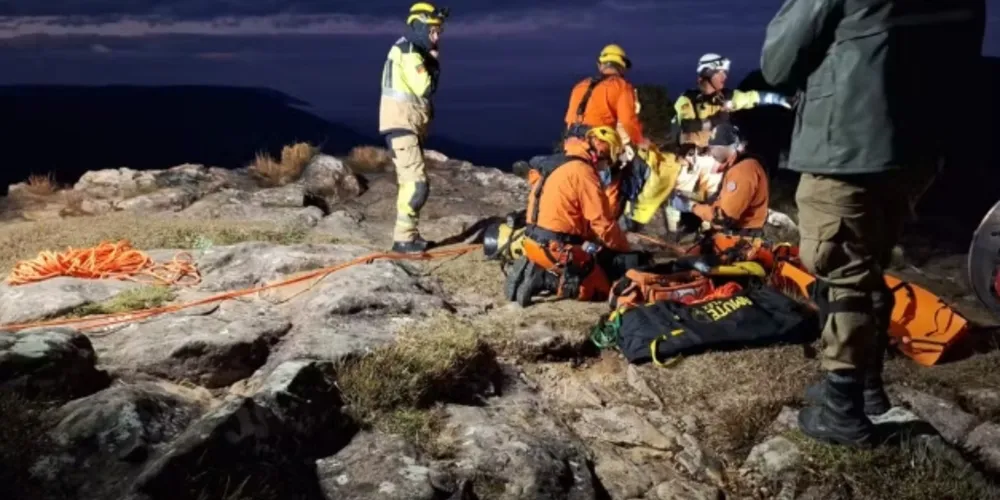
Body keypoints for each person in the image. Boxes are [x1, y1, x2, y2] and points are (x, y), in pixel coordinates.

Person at [761, 0, 986, 447]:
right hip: (916, 145)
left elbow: (778, 62)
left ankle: (842, 411)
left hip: (846, 141)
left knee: (841, 268)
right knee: (869, 263)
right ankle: (867, 387)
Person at [513, 126, 649, 303]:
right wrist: (624, 248)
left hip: (532, 241)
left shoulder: (559, 163)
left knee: (592, 255)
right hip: (557, 248)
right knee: (601, 289)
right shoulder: (584, 172)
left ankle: (537, 267)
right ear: (601, 151)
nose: (605, 166)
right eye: (608, 160)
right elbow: (602, 223)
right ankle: (546, 280)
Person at [379, 2, 449, 253]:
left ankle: (407, 235)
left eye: (439, 31)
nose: (436, 37)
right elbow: (424, 87)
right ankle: (403, 240)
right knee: (417, 185)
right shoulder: (409, 52)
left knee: (409, 183)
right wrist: (433, 64)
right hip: (402, 125)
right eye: (432, 31)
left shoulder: (406, 49)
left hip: (405, 125)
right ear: (419, 28)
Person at [672, 53, 793, 148]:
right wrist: (717, 119)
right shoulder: (687, 99)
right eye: (720, 72)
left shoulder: (726, 96)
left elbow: (752, 97)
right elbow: (688, 125)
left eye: (725, 72)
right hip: (692, 158)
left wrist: (780, 99)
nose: (725, 76)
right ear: (708, 73)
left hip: (718, 156)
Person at [669, 123, 769, 237]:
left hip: (741, 237)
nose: (711, 152)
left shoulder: (742, 171)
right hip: (735, 233)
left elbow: (723, 218)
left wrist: (692, 207)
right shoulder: (736, 166)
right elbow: (719, 202)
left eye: (715, 147)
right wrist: (693, 202)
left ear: (730, 147)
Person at [563, 44, 647, 148]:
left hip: (571, 144)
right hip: (599, 144)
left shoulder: (579, 86)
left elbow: (569, 121)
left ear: (599, 65)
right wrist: (641, 142)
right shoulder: (622, 86)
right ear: (623, 67)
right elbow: (628, 121)